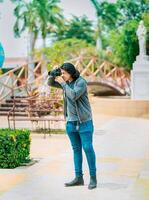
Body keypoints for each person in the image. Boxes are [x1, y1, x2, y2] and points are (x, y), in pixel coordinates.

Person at [48, 62, 97, 190]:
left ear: (71, 73)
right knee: (76, 150)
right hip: (71, 123)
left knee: (87, 148)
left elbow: (74, 95)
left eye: (64, 73)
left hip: (84, 122)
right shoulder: (66, 83)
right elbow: (50, 83)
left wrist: (63, 83)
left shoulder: (81, 82)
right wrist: (53, 74)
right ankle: (78, 178)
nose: (62, 75)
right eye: (61, 73)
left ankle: (93, 178)